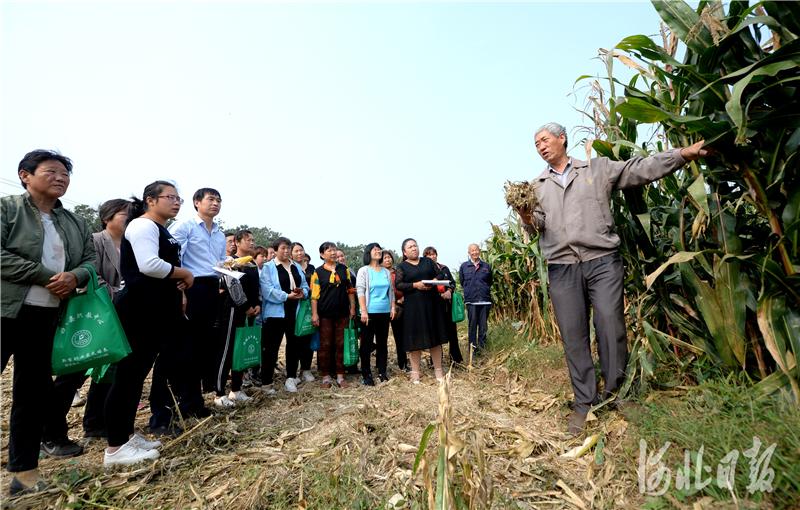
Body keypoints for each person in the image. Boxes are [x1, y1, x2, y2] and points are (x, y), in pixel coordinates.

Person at [515, 122, 708, 435]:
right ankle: (584, 403)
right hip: (562, 267)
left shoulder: (596, 169)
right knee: (573, 335)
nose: (540, 146)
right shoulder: (536, 187)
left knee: (610, 324)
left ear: (562, 139)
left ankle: (616, 394)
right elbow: (534, 227)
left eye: (544, 139)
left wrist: (683, 155)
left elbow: (640, 168)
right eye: (535, 143)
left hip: (602, 262)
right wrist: (524, 214)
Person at [1, 150, 95, 495]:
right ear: (25, 175)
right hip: (5, 310)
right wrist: (45, 275)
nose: (60, 178)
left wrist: (75, 276)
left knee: (32, 394)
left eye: (65, 174)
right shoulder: (7, 208)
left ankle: (24, 474)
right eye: (51, 172)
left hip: (44, 315)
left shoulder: (73, 222)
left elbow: (89, 258)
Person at [103, 181, 194, 466]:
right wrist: (185, 273)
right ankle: (115, 448)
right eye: (170, 197)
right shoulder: (143, 226)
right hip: (139, 309)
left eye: (179, 198)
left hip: (154, 309)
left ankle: (127, 436)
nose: (177, 202)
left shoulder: (159, 228)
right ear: (150, 200)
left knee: (137, 374)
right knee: (128, 376)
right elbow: (149, 265)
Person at [43, 199, 131, 451]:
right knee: (75, 371)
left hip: (117, 315)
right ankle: (49, 431)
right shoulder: (95, 240)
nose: (128, 219)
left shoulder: (130, 244)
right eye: (124, 214)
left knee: (107, 368)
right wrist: (116, 293)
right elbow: (89, 272)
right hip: (93, 312)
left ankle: (95, 423)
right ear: (108, 217)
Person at [168, 188, 226, 418]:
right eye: (211, 199)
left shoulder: (220, 234)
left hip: (213, 288)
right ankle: (184, 402)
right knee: (188, 347)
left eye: (219, 200)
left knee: (205, 348)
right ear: (196, 202)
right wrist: (179, 283)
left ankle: (196, 401)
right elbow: (172, 254)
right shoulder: (185, 226)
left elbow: (217, 263)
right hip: (192, 287)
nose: (215, 204)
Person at [213, 230, 260, 407]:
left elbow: (256, 288)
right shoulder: (230, 263)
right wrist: (246, 306)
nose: (252, 243)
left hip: (250, 312)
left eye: (253, 240)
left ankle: (236, 389)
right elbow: (233, 286)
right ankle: (219, 393)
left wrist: (257, 305)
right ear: (237, 243)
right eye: (248, 240)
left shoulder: (252, 264)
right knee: (227, 350)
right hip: (232, 310)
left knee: (241, 349)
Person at [260, 237, 310, 393]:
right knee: (271, 348)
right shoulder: (268, 267)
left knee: (294, 345)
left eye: (288, 248)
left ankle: (291, 378)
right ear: (275, 250)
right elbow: (267, 290)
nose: (286, 251)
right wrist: (285, 296)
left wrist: (303, 293)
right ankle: (267, 383)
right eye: (282, 248)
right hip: (275, 313)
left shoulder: (295, 266)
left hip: (294, 311)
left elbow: (304, 285)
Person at [394, 238, 447, 384]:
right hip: (413, 307)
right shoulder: (402, 267)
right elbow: (398, 284)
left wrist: (434, 280)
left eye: (415, 245)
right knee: (414, 340)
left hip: (432, 305)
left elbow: (441, 274)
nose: (414, 248)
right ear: (404, 252)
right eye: (410, 247)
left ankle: (438, 371)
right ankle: (415, 372)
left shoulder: (428, 262)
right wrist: (415, 285)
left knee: (435, 339)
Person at [310, 242, 356, 388]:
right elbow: (314, 296)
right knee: (325, 345)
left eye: (334, 250)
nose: (333, 252)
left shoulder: (344, 270)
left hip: (342, 313)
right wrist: (315, 314)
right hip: (325, 315)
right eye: (329, 250)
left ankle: (341, 376)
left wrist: (353, 307)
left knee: (341, 344)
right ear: (322, 255)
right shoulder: (317, 272)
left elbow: (350, 290)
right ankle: (326, 377)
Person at [356, 243, 396, 385]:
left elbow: (391, 291)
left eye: (379, 249)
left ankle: (382, 371)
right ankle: (366, 374)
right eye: (375, 249)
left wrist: (392, 307)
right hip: (369, 312)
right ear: (368, 253)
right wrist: (363, 311)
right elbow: (360, 291)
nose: (378, 251)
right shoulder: (364, 271)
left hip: (384, 312)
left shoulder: (385, 272)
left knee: (382, 343)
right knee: (366, 344)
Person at [423, 247, 463, 365]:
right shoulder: (424, 271)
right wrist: (438, 295)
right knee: (435, 335)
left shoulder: (444, 268)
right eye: (429, 255)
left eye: (434, 254)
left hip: (447, 306)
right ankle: (435, 362)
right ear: (425, 258)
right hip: (433, 307)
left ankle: (456, 360)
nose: (432, 256)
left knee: (452, 333)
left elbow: (452, 283)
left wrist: (449, 291)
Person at [458, 244, 493, 357]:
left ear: (479, 251)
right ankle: (472, 352)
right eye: (472, 251)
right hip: (471, 301)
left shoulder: (486, 266)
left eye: (476, 250)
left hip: (484, 300)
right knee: (472, 326)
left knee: (483, 327)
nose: (474, 252)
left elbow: (489, 281)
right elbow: (462, 282)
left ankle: (482, 350)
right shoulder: (464, 266)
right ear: (469, 253)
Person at [291, 241, 316, 379]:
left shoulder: (312, 268)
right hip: (296, 307)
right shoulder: (291, 268)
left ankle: (306, 368)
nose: (300, 253)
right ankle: (293, 371)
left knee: (308, 335)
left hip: (310, 306)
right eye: (296, 251)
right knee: (296, 339)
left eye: (301, 250)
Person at [382, 250, 407, 371]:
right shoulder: (378, 273)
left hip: (398, 308)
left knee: (400, 337)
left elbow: (404, 286)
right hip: (382, 308)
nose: (387, 260)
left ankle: (403, 364)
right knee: (382, 338)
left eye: (389, 257)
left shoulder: (398, 272)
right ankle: (381, 365)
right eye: (385, 258)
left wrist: (402, 298)